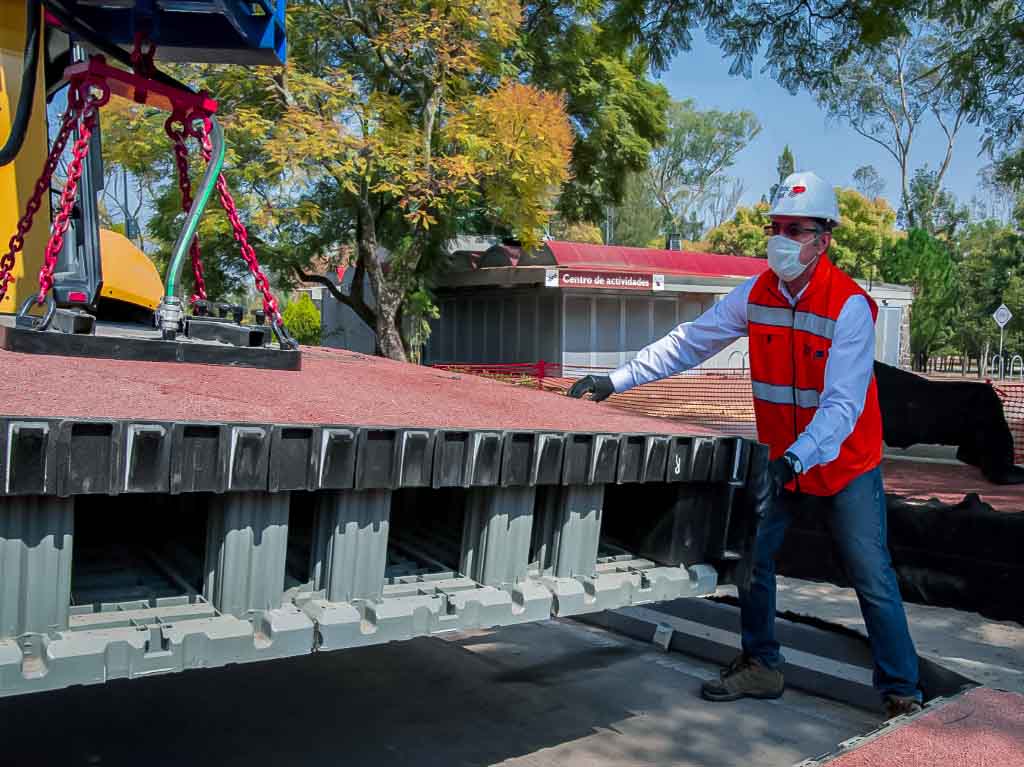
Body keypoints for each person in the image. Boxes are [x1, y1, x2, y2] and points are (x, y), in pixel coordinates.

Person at [568, 171, 923, 719]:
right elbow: (690, 341)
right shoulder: (755, 295)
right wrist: (616, 380)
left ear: (822, 239)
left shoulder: (849, 307)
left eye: (795, 229)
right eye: (775, 227)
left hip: (842, 463)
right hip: (781, 456)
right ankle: (761, 664)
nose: (781, 238)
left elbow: (843, 407)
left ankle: (902, 691)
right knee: (752, 557)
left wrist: (797, 460)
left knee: (869, 574)